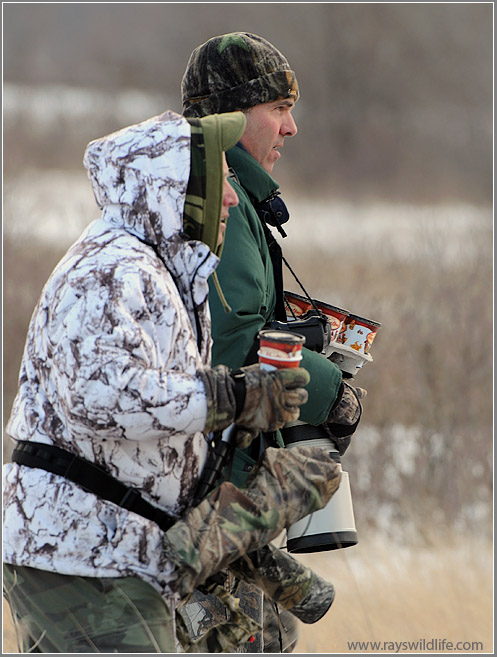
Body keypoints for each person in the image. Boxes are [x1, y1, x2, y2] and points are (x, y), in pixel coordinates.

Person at [2, 109, 342, 653]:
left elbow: (154, 423)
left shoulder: (157, 271)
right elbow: (99, 397)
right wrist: (231, 396)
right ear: (171, 188)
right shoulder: (112, 271)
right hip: (85, 561)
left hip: (113, 559)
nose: (231, 197)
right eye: (219, 181)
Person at [181, 32, 367, 651]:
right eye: (279, 109)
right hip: (211, 495)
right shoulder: (220, 205)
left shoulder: (226, 196)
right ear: (232, 119)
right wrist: (329, 384)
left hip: (210, 493)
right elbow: (232, 350)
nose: (292, 128)